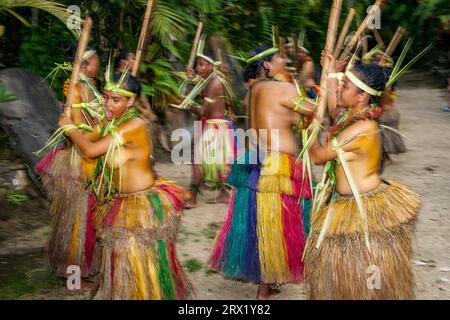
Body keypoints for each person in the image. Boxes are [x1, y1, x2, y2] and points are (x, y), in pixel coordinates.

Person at [58, 70, 192, 299]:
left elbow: (90, 150)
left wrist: (68, 128)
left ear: (131, 101)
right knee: (126, 266)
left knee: (140, 266)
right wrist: (77, 113)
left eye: (116, 99)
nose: (107, 103)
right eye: (106, 96)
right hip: (121, 202)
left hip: (139, 208)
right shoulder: (113, 122)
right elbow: (89, 138)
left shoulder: (133, 125)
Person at [303, 56, 421, 299]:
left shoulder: (360, 128)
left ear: (362, 97)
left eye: (345, 86)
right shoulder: (354, 117)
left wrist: (310, 128)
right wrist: (331, 74)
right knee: (354, 280)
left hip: (361, 210)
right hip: (352, 203)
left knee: (365, 282)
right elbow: (334, 107)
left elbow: (317, 156)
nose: (339, 89)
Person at [209, 45, 314, 299]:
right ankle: (264, 290)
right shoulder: (284, 89)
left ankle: (266, 285)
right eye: (279, 57)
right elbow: (314, 111)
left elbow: (282, 116)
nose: (284, 59)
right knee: (277, 224)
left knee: (264, 222)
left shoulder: (256, 88)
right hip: (278, 164)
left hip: (257, 159)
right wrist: (331, 78)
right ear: (267, 64)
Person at [35, 45, 103, 281]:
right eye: (96, 60)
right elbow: (71, 125)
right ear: (85, 64)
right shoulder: (76, 87)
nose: (99, 63)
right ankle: (73, 279)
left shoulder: (90, 86)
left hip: (90, 157)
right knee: (76, 223)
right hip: (80, 161)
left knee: (88, 220)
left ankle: (88, 266)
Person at [184, 43, 236, 208]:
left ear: (211, 66)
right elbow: (201, 96)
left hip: (215, 126)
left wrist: (186, 104)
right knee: (216, 161)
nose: (198, 67)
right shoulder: (210, 80)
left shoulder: (214, 83)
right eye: (197, 64)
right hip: (216, 125)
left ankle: (193, 198)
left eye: (201, 64)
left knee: (198, 160)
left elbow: (203, 111)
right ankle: (223, 194)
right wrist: (192, 81)